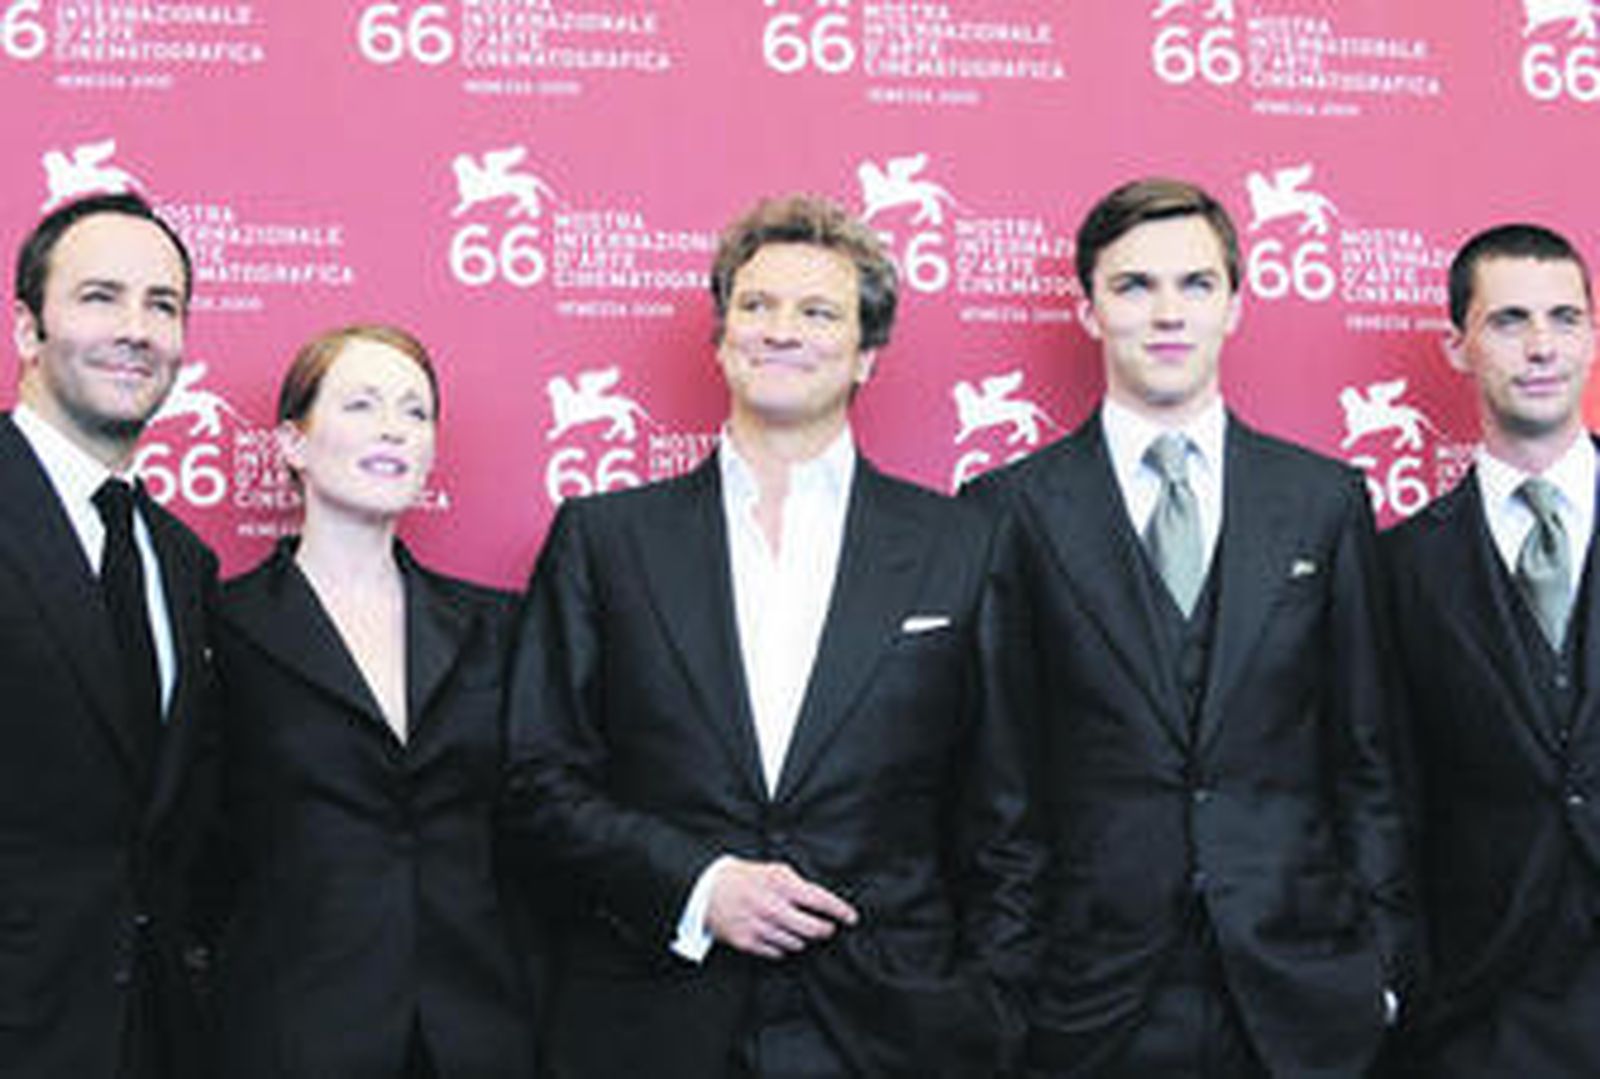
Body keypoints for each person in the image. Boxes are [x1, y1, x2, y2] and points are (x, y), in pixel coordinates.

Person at [503, 194, 1037, 1077]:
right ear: (721, 338)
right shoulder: (605, 539)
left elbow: (1008, 816)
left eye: (818, 311)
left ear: (866, 353)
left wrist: (990, 1008)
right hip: (653, 1021)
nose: (781, 329)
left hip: (892, 1027)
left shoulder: (964, 545)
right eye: (757, 305)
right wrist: (698, 885)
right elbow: (538, 779)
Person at [964, 177, 1414, 1077]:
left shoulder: (1323, 500)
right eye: (1134, 285)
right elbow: (998, 779)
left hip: (1302, 984)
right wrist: (1006, 983)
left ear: (1235, 305)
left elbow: (1369, 754)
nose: (1167, 312)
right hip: (1088, 992)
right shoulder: (1007, 509)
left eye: (1196, 284)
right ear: (1088, 309)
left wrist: (1383, 964)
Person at [203, 325, 538, 1077]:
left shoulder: (497, 625)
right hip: (290, 1033)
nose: (394, 428)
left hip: (479, 1032)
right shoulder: (221, 623)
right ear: (292, 443)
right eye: (361, 404)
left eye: (416, 412)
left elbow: (532, 829)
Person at [0, 192, 218, 1077]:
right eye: (100, 296)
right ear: (28, 328)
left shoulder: (181, 560)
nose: (136, 329)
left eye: (161, 305)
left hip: (148, 1034)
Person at [1383, 224, 1600, 1076]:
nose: (1542, 346)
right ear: (1457, 347)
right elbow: (1383, 787)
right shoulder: (1400, 566)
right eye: (1510, 320)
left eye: (1565, 318)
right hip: (1482, 1004)